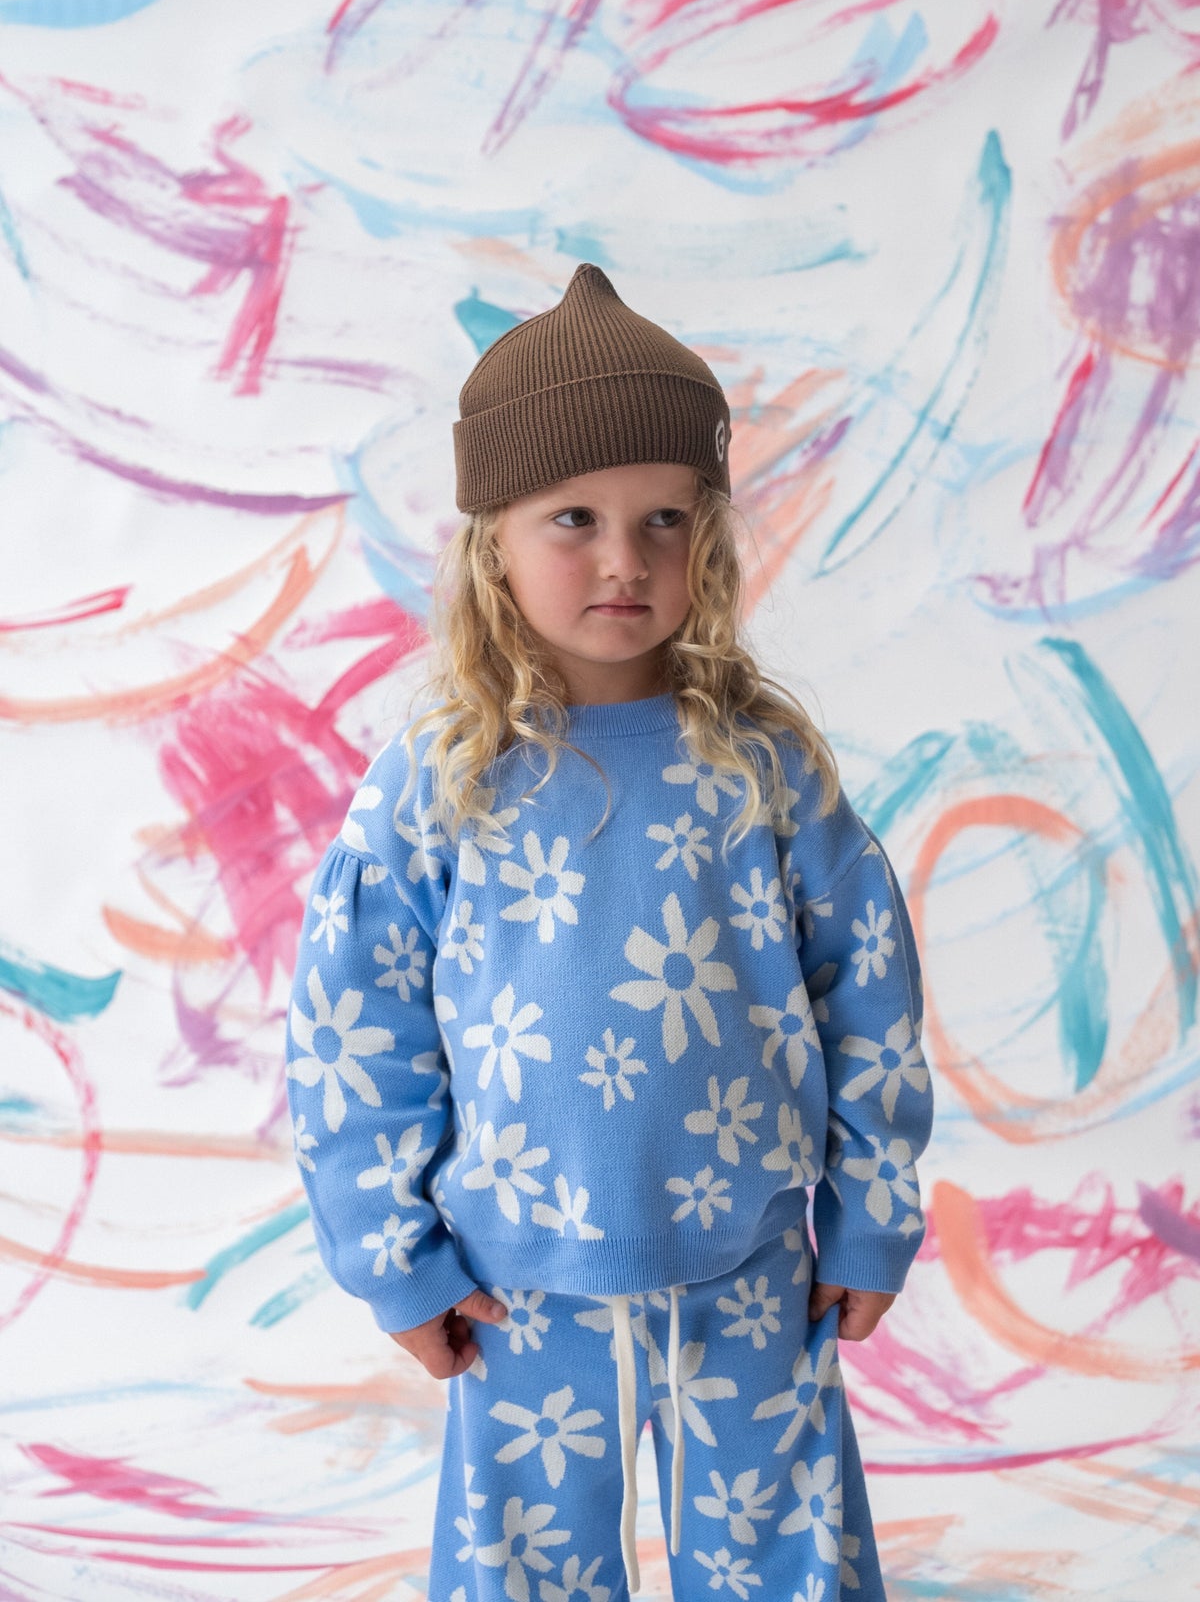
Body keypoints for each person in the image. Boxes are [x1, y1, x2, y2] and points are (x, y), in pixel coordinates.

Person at [285, 264, 933, 1601]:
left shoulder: (766, 768)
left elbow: (866, 993)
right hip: (516, 1285)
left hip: (756, 1268)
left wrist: (871, 1213)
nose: (626, 559)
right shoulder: (438, 783)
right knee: (525, 1570)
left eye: (666, 519)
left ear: (712, 537)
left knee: (786, 1564)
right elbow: (355, 1031)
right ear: (492, 542)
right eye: (573, 518)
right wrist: (396, 1262)